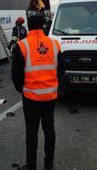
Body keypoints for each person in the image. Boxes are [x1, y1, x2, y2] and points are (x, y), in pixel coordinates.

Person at [12, 15, 64, 170]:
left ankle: (31, 165)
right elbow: (62, 70)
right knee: (49, 129)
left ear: (29, 26)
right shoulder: (54, 44)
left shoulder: (22, 45)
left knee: (32, 131)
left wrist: (22, 88)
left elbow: (16, 74)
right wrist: (53, 84)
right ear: (42, 26)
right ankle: (49, 164)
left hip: (30, 96)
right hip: (50, 96)